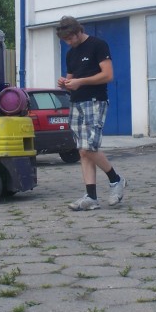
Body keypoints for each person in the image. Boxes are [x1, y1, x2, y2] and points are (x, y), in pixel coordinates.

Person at [56, 16, 126, 211]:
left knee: (89, 147)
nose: (68, 43)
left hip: (95, 101)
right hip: (76, 102)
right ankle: (91, 197)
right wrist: (65, 84)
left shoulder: (98, 45)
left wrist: (80, 81)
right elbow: (71, 80)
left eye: (70, 38)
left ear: (79, 31)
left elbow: (108, 75)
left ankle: (116, 180)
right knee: (82, 150)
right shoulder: (70, 53)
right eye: (65, 40)